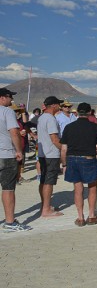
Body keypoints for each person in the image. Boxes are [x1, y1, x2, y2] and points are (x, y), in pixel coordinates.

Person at [60, 102, 97, 226]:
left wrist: (64, 165)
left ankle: (80, 217)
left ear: (78, 112)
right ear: (90, 112)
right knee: (92, 188)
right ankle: (91, 216)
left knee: (77, 189)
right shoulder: (95, 127)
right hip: (89, 159)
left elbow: (63, 149)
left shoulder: (69, 127)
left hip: (72, 159)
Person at [0, 87, 31, 232]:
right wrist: (19, 151)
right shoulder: (7, 112)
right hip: (6, 154)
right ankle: (10, 221)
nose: (11, 100)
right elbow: (14, 132)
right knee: (8, 189)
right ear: (2, 98)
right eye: (9, 97)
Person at [37, 95, 65, 219]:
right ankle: (46, 210)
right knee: (49, 181)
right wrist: (64, 150)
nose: (59, 106)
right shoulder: (51, 119)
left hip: (43, 154)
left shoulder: (42, 117)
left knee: (43, 180)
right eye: (58, 104)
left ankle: (44, 205)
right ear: (53, 105)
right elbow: (54, 139)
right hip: (51, 154)